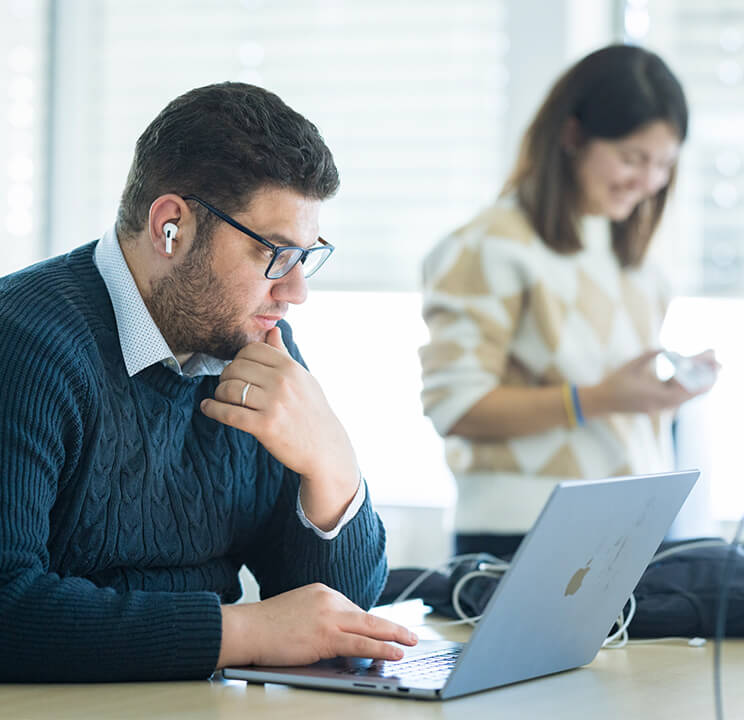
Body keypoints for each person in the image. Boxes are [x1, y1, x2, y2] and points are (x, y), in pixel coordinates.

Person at [0, 82, 417, 683]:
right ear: (171, 227)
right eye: (275, 253)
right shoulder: (27, 344)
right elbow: (9, 609)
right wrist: (247, 631)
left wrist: (332, 466)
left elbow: (331, 620)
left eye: (308, 255)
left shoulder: (251, 349)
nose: (296, 290)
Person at [419, 45, 719, 560]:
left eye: (664, 164)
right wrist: (598, 398)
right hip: (524, 532)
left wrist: (657, 392)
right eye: (632, 158)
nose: (649, 182)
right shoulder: (490, 245)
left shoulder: (634, 256)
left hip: (634, 526)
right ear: (573, 135)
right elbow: (455, 406)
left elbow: (615, 396)